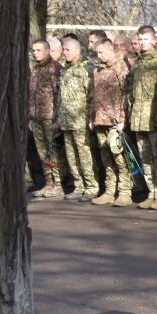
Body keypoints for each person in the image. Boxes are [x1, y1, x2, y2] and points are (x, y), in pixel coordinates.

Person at [127, 25, 157, 208]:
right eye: (140, 39)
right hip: (138, 116)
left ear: (153, 40)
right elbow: (131, 91)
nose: (143, 43)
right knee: (145, 158)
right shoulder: (138, 62)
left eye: (146, 39)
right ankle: (151, 192)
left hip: (154, 116)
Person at [88, 39, 133, 206]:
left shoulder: (121, 66)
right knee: (106, 158)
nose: (98, 56)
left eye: (101, 52)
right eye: (97, 53)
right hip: (100, 119)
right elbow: (94, 96)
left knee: (119, 158)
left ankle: (125, 192)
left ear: (110, 49)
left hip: (116, 120)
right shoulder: (97, 70)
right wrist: (92, 117)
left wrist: (123, 119)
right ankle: (109, 191)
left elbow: (126, 93)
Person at [58, 37, 99, 202]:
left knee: (85, 155)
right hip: (66, 120)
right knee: (71, 156)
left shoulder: (87, 68)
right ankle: (79, 185)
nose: (64, 52)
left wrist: (91, 116)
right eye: (63, 49)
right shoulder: (64, 70)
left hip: (81, 120)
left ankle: (91, 186)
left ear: (77, 50)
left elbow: (91, 95)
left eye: (67, 50)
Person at [27, 39, 65, 198]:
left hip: (50, 117)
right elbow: (31, 94)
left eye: (39, 50)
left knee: (53, 151)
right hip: (36, 117)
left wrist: (57, 118)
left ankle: (58, 184)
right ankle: (48, 182)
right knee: (42, 152)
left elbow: (59, 95)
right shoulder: (35, 68)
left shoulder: (55, 68)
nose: (35, 53)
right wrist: (30, 116)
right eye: (34, 50)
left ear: (48, 50)